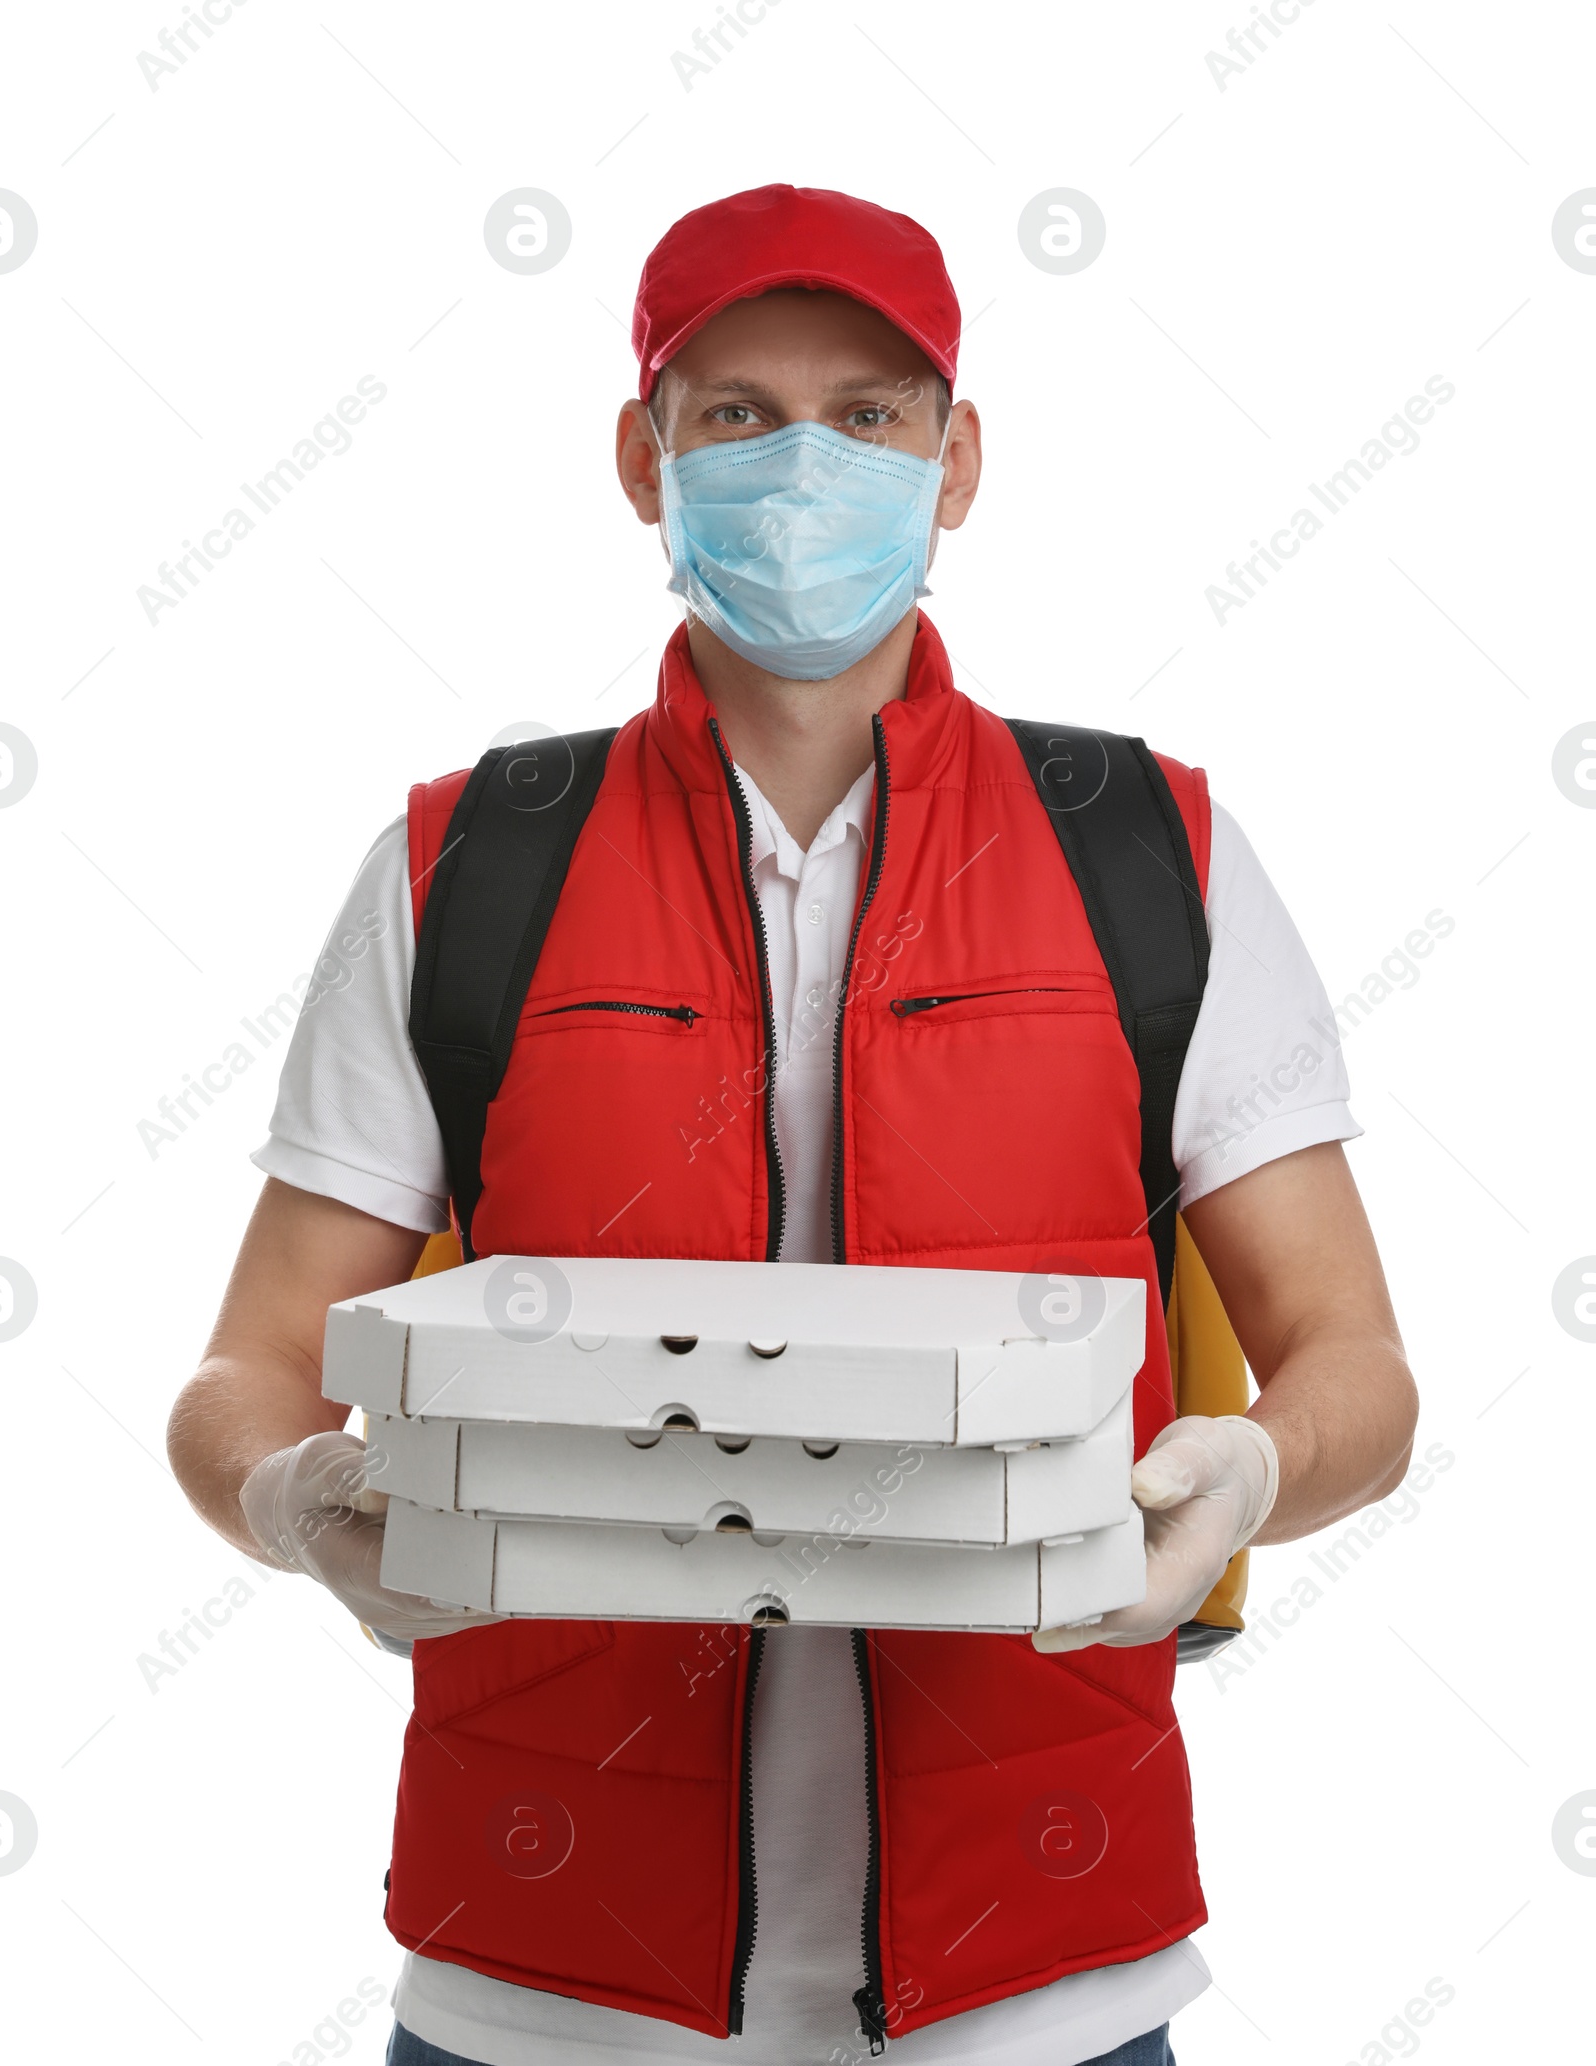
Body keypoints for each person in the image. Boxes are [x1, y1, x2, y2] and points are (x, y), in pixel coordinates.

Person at [166, 184, 1418, 2066]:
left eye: (871, 412)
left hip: (1048, 1999)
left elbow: (1361, 1372)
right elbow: (243, 1378)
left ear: (959, 458)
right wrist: (305, 1503)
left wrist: (1239, 1477)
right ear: (640, 457)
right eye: (736, 413)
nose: (804, 465)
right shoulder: (463, 863)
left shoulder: (1151, 852)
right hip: (542, 1993)